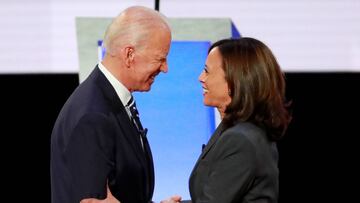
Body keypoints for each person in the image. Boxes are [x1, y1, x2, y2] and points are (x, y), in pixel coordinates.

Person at [50, 6, 172, 203]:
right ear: (129, 54)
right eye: (161, 58)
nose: (165, 68)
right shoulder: (93, 116)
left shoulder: (109, 100)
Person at [162, 37, 292, 203]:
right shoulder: (241, 129)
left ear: (233, 81)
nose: (201, 78)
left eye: (207, 71)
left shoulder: (240, 140)